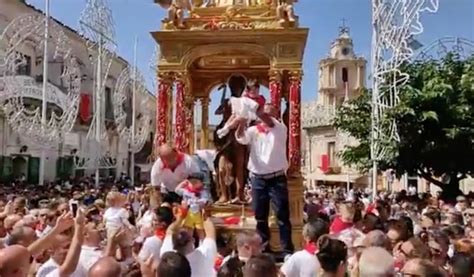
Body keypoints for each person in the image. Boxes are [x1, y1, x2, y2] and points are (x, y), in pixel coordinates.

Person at [235, 103, 294, 256]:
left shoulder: (280, 128)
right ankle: (263, 248)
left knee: (282, 214)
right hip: (258, 179)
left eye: (269, 112)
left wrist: (251, 108)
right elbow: (242, 138)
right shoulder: (253, 130)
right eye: (264, 111)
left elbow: (266, 119)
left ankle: (286, 250)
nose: (265, 115)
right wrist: (241, 121)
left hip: (277, 178)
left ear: (275, 114)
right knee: (260, 216)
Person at [175, 172, 211, 240]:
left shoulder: (203, 192)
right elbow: (176, 190)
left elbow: (205, 200)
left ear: (201, 183)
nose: (193, 184)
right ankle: (189, 243)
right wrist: (182, 183)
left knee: (200, 230)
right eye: (191, 182)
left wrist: (197, 201)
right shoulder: (186, 191)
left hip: (198, 214)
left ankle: (202, 243)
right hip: (189, 214)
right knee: (188, 230)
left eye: (195, 182)